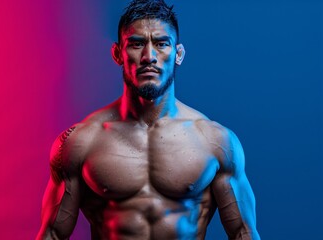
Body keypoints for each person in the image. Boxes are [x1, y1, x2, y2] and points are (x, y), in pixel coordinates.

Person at [37, 0, 260, 239]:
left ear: (178, 54)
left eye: (162, 44)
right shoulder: (81, 143)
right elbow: (53, 234)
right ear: (117, 54)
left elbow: (242, 233)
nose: (149, 56)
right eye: (136, 44)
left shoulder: (216, 142)